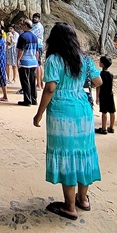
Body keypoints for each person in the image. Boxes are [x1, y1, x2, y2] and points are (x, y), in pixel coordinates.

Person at [33, 23, 103, 221]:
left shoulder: (54, 60)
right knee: (83, 152)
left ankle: (69, 207)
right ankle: (83, 199)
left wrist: (39, 114)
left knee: (67, 156)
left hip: (62, 112)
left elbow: (50, 89)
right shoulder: (84, 59)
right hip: (83, 110)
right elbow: (99, 82)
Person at [16, 20, 39, 106]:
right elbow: (37, 51)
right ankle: (34, 99)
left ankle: (27, 100)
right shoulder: (34, 37)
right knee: (32, 81)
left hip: (25, 62)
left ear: (25, 26)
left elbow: (21, 50)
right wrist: (36, 62)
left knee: (25, 81)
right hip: (33, 61)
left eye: (22, 24)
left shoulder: (22, 36)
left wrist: (18, 60)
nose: (21, 26)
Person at [94, 55, 116, 134]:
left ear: (102, 64)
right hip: (110, 94)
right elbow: (112, 85)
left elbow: (98, 86)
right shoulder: (111, 74)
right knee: (112, 111)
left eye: (100, 62)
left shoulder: (100, 74)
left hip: (103, 95)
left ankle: (104, 128)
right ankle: (111, 127)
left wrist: (97, 97)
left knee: (104, 112)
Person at [31, 13, 45, 89]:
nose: (35, 19)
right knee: (39, 64)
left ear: (39, 19)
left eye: (36, 18)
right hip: (35, 46)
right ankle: (41, 83)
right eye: (34, 17)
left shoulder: (38, 26)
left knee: (38, 65)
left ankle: (39, 84)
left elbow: (31, 33)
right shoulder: (34, 25)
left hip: (38, 46)